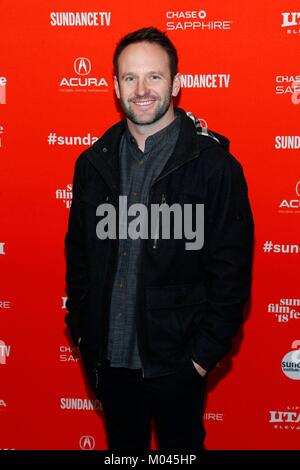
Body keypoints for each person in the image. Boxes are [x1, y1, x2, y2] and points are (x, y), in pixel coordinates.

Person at [64, 26, 254, 451]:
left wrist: (201, 357)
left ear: (177, 83)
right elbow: (78, 255)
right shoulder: (92, 163)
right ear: (115, 87)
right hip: (109, 362)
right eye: (130, 78)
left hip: (177, 364)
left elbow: (231, 272)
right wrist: (81, 329)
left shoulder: (215, 166)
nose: (142, 89)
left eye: (155, 76)